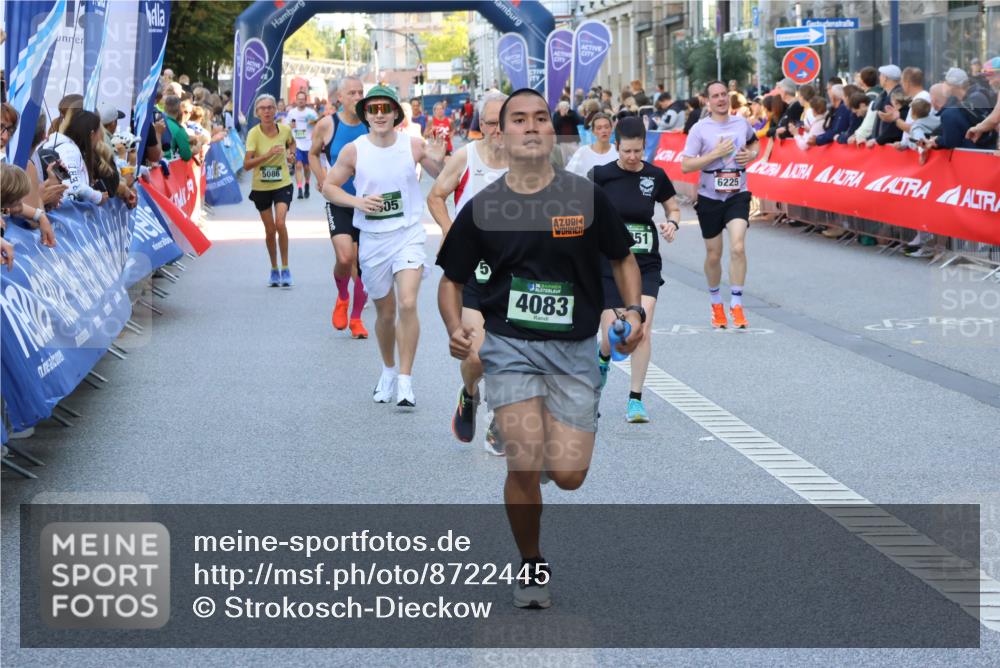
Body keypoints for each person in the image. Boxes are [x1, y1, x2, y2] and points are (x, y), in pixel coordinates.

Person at [435, 88, 643, 610]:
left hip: (574, 352)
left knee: (569, 477)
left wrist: (634, 312)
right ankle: (531, 561)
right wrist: (454, 328)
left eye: (541, 119)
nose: (531, 127)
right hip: (511, 349)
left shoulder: (584, 196)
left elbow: (623, 260)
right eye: (519, 120)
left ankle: (552, 445)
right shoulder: (483, 207)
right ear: (499, 135)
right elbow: (451, 280)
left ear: (553, 132)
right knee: (523, 465)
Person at [323, 85, 446, 407]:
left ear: (395, 114)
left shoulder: (413, 145)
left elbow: (443, 178)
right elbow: (328, 187)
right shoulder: (354, 149)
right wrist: (357, 202)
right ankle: (388, 370)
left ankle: (406, 380)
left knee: (407, 303)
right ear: (366, 114)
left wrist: (437, 155)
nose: (379, 114)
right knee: (386, 312)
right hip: (374, 240)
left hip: (407, 233)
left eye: (385, 109)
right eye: (373, 109)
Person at [426, 91, 508, 451]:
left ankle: (499, 421)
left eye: (505, 121)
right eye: (491, 122)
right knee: (476, 355)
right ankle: (470, 392)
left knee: (510, 352)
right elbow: (435, 196)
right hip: (475, 269)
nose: (498, 129)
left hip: (515, 270)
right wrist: (449, 231)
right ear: (482, 125)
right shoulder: (466, 156)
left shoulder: (529, 161)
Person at [592, 117, 680, 423]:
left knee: (640, 329)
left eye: (638, 151)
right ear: (616, 146)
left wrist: (673, 222)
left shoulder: (655, 176)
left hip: (645, 262)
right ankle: (603, 357)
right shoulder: (601, 175)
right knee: (615, 335)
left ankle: (635, 400)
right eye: (627, 151)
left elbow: (673, 206)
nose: (632, 157)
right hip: (610, 262)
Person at [681, 80, 760, 330]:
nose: (721, 99)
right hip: (710, 197)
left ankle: (736, 304)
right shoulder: (699, 129)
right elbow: (686, 165)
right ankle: (716, 303)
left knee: (738, 247)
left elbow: (754, 142)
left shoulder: (741, 122)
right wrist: (714, 154)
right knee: (714, 254)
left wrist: (752, 154)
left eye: (724, 94)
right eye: (715, 96)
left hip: (738, 194)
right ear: (708, 101)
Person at [309, 77, 369, 337]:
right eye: (351, 93)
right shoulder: (327, 124)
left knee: (364, 264)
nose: (357, 97)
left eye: (360, 92)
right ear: (340, 98)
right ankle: (343, 296)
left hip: (369, 204)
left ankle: (356, 318)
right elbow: (312, 153)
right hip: (340, 201)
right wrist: (323, 179)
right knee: (345, 258)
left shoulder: (371, 124)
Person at [243, 94, 296, 287]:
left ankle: (286, 267)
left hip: (282, 183)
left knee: (280, 223)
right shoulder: (253, 134)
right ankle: (274, 268)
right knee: (270, 229)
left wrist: (291, 155)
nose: (267, 111)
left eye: (270, 107)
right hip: (261, 187)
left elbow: (291, 143)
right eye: (263, 108)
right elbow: (247, 165)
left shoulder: (285, 130)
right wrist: (267, 155)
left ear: (276, 110)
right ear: (257, 113)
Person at [40, 110, 110, 207]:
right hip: (63, 213)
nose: (99, 138)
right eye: (99, 132)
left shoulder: (71, 148)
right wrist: (98, 197)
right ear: (92, 134)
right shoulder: (70, 151)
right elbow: (75, 187)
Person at [286, 90, 319, 199]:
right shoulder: (292, 113)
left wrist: (313, 123)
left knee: (306, 167)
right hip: (297, 143)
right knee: (298, 165)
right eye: (299, 99)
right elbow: (288, 126)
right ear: (296, 100)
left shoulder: (311, 113)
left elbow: (318, 125)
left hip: (308, 143)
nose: (300, 101)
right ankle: (299, 189)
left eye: (302, 99)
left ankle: (307, 184)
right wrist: (290, 128)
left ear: (305, 100)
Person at [564, 112, 617, 177]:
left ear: (611, 129)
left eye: (606, 127)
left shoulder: (618, 151)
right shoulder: (583, 151)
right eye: (599, 128)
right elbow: (569, 173)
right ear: (593, 132)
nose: (604, 130)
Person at [551, 100, 582, 164]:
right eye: (563, 108)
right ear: (560, 108)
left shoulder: (572, 113)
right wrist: (562, 116)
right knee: (563, 158)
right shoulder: (556, 114)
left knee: (577, 155)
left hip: (573, 139)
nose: (565, 109)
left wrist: (568, 115)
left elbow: (578, 121)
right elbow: (555, 125)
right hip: (561, 140)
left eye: (566, 108)